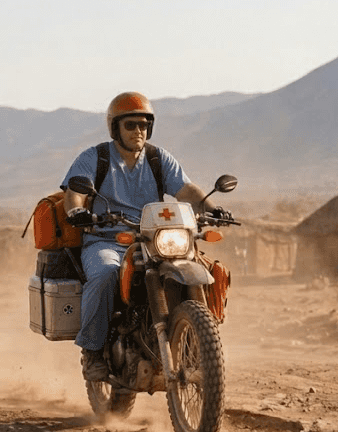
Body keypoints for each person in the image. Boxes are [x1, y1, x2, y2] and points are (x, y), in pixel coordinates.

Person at [60, 92, 229, 381]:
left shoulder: (158, 158)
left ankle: (198, 343)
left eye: (143, 125)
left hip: (154, 240)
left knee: (203, 270)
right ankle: (93, 351)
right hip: (107, 239)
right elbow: (74, 193)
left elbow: (186, 191)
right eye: (130, 125)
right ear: (115, 127)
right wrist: (77, 211)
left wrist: (213, 209)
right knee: (104, 275)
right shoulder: (95, 158)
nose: (138, 131)